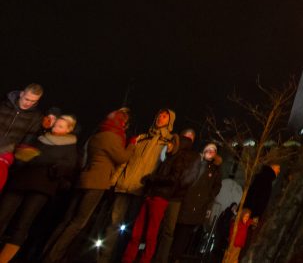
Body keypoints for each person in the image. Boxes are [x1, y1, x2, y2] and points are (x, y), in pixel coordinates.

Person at [43, 108, 133, 263]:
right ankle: (55, 256)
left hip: (84, 179)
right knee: (79, 222)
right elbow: (121, 157)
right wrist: (132, 146)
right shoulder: (111, 137)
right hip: (97, 182)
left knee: (68, 219)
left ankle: (47, 252)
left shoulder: (97, 135)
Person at [102, 109, 178, 262]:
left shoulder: (167, 144)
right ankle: (104, 258)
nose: (160, 117)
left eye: (164, 116)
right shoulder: (141, 138)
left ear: (170, 122)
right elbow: (125, 161)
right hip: (124, 185)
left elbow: (165, 168)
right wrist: (113, 181)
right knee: (113, 224)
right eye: (159, 114)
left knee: (132, 230)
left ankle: (121, 257)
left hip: (142, 190)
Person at [0, 115, 79, 263]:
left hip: (42, 187)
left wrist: (50, 164)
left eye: (61, 126)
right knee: (2, 214)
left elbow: (68, 167)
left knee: (23, 223)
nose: (56, 128)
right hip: (21, 181)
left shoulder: (70, 146)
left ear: (69, 130)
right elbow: (23, 152)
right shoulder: (41, 137)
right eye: (56, 124)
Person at [152, 129, 200, 263]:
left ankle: (161, 258)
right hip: (161, 192)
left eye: (191, 137)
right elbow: (161, 163)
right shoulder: (171, 148)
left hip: (175, 197)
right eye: (186, 136)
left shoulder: (194, 156)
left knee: (168, 230)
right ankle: (150, 253)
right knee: (156, 227)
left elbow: (190, 176)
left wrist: (176, 187)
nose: (187, 139)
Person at [170, 143, 222, 260]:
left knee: (184, 236)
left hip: (197, 207)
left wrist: (208, 197)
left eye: (213, 151)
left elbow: (217, 186)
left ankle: (174, 258)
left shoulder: (215, 170)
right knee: (172, 232)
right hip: (183, 202)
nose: (210, 152)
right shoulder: (195, 162)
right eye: (208, 149)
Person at [0, 84, 44, 193]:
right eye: (27, 99)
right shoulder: (3, 105)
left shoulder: (36, 117)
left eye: (33, 101)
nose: (28, 103)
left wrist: (18, 160)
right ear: (21, 94)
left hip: (6, 152)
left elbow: (29, 140)